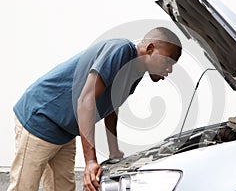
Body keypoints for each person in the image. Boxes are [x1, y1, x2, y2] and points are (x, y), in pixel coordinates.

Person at [8, 26, 182, 191]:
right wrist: (90, 161)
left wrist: (113, 149)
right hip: (41, 118)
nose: (170, 69)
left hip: (66, 130)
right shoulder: (120, 50)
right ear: (150, 49)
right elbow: (85, 101)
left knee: (63, 188)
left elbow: (111, 106)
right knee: (24, 187)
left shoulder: (136, 72)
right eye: (168, 60)